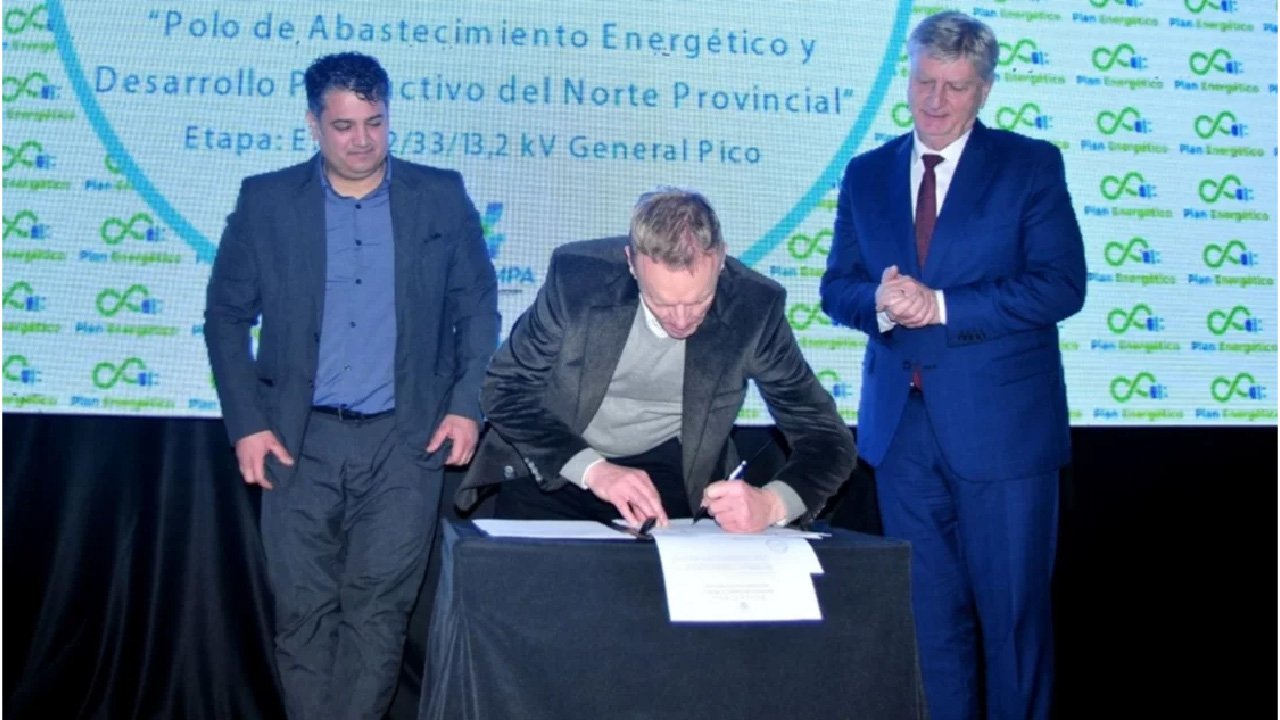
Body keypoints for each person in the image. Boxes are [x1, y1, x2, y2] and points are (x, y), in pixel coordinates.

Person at [203, 51, 498, 720]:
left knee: (379, 611)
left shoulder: (440, 195)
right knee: (302, 611)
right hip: (296, 440)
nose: (362, 140)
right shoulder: (266, 201)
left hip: (405, 443)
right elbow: (225, 317)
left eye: (375, 122)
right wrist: (248, 423)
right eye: (343, 126)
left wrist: (466, 407)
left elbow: (478, 309)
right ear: (313, 124)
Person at [820, 10, 1086, 720]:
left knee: (1013, 627)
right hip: (899, 433)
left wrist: (941, 306)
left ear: (985, 90)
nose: (935, 101)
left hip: (1005, 434)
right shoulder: (867, 172)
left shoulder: (1030, 166)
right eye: (923, 82)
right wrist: (879, 303)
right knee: (929, 627)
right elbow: (837, 287)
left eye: (956, 87)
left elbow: (1061, 285)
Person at [456, 188, 855, 533]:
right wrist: (593, 470)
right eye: (662, 303)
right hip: (558, 460)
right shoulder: (578, 280)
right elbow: (504, 388)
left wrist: (773, 504)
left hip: (670, 473)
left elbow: (826, 437)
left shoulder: (754, 308)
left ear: (720, 259)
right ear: (632, 263)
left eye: (699, 301)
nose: (681, 320)